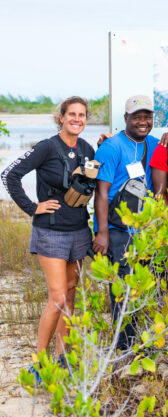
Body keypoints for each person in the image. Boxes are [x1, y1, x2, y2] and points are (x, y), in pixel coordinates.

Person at [2, 97, 95, 377]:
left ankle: (62, 356)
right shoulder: (46, 147)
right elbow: (9, 175)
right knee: (56, 297)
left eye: (82, 115)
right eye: (72, 114)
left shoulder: (87, 149)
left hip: (79, 231)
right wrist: (33, 207)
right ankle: (39, 363)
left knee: (70, 295)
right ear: (61, 117)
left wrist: (106, 144)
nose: (77, 119)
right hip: (51, 232)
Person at [92, 95, 159, 350]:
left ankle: (137, 339)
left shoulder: (153, 144)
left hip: (144, 231)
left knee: (141, 285)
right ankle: (123, 345)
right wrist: (102, 233)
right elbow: (100, 192)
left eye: (147, 117)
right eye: (137, 117)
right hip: (118, 231)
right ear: (125, 119)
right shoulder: (110, 147)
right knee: (120, 289)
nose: (143, 122)